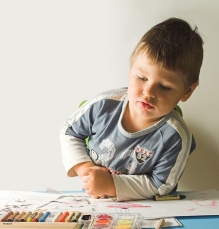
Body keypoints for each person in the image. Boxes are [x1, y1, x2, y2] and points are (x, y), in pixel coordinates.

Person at [60, 17, 204, 201]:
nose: (148, 92)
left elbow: (162, 185)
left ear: (187, 91)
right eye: (142, 78)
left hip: (147, 211)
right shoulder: (104, 105)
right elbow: (69, 131)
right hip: (95, 203)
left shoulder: (176, 136)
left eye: (165, 87)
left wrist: (111, 184)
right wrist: (85, 168)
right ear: (130, 71)